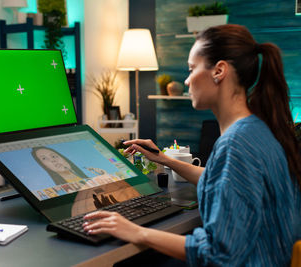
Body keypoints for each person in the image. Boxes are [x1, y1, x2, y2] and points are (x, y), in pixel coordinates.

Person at [82, 24, 301, 266]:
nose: (186, 81)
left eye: (191, 69)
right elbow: (222, 181)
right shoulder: (256, 130)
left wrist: (136, 231)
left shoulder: (236, 144)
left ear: (219, 71)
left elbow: (219, 253)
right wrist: (163, 159)